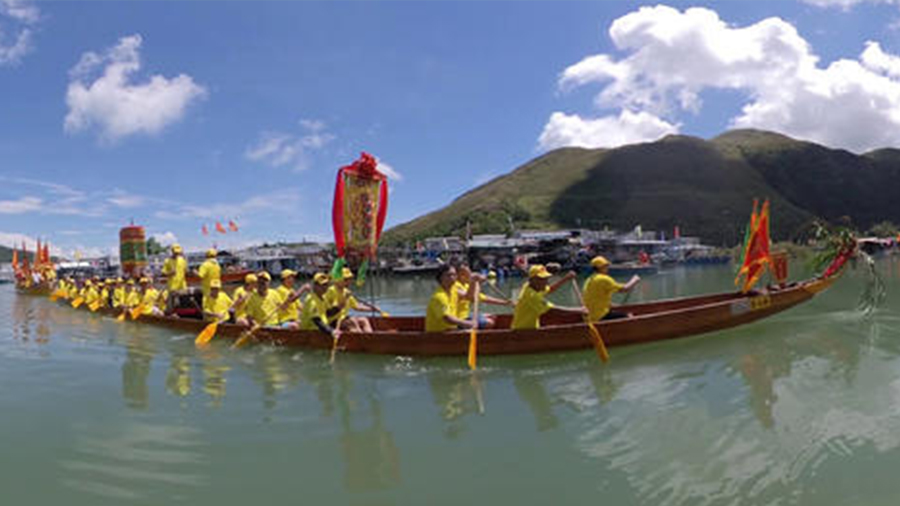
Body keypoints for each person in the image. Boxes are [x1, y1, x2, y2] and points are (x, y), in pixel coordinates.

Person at [511, 265, 586, 330]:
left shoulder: (531, 286)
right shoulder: (531, 295)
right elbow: (553, 310)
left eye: (546, 279)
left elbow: (550, 289)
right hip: (523, 331)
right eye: (542, 279)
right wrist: (579, 310)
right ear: (533, 280)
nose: (546, 282)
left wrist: (566, 278)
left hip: (531, 328)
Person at [324, 268, 382, 333]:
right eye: (345, 280)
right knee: (353, 322)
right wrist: (345, 298)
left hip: (344, 319)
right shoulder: (331, 291)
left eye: (349, 279)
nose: (348, 282)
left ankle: (371, 338)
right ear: (337, 280)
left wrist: (372, 309)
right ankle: (361, 339)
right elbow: (334, 310)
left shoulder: (346, 291)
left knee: (363, 320)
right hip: (332, 321)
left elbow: (357, 306)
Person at [454, 265, 511, 329]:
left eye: (469, 273)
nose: (469, 275)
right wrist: (474, 282)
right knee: (490, 323)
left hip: (466, 314)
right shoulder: (455, 286)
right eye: (466, 274)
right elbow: (470, 297)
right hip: (459, 318)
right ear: (459, 275)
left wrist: (506, 303)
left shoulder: (466, 285)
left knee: (492, 316)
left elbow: (484, 298)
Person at [583, 256, 640, 321]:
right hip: (599, 316)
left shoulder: (589, 279)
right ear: (601, 267)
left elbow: (598, 298)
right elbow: (625, 289)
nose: (608, 268)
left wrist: (614, 305)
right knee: (629, 316)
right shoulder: (603, 279)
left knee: (618, 313)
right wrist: (635, 280)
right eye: (606, 266)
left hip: (588, 316)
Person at [425, 265, 477, 332]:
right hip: (439, 334)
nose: (452, 278)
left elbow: (469, 297)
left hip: (452, 330)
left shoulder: (454, 290)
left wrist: (473, 282)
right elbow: (447, 318)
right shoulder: (439, 297)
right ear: (441, 278)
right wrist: (468, 324)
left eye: (454, 275)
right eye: (449, 275)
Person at [299, 273, 340, 339]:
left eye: (326, 285)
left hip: (323, 328)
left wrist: (339, 308)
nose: (325, 287)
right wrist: (331, 331)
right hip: (311, 331)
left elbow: (328, 313)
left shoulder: (323, 298)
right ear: (315, 286)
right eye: (322, 285)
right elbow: (317, 321)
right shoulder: (312, 301)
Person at [162, 244, 188, 309]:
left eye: (178, 253)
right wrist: (170, 273)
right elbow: (163, 273)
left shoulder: (183, 260)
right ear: (172, 251)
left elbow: (186, 271)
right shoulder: (167, 261)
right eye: (175, 253)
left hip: (182, 286)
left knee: (183, 302)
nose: (177, 254)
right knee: (172, 304)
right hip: (172, 286)